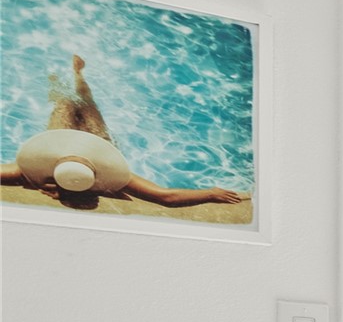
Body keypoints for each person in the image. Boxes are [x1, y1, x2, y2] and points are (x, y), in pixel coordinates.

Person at [1, 56, 249, 210]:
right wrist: (211, 193)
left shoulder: (24, 173)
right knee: (88, 103)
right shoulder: (111, 181)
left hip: (59, 136)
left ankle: (65, 78)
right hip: (98, 141)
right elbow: (167, 197)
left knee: (63, 103)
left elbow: (167, 198)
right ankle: (78, 75)